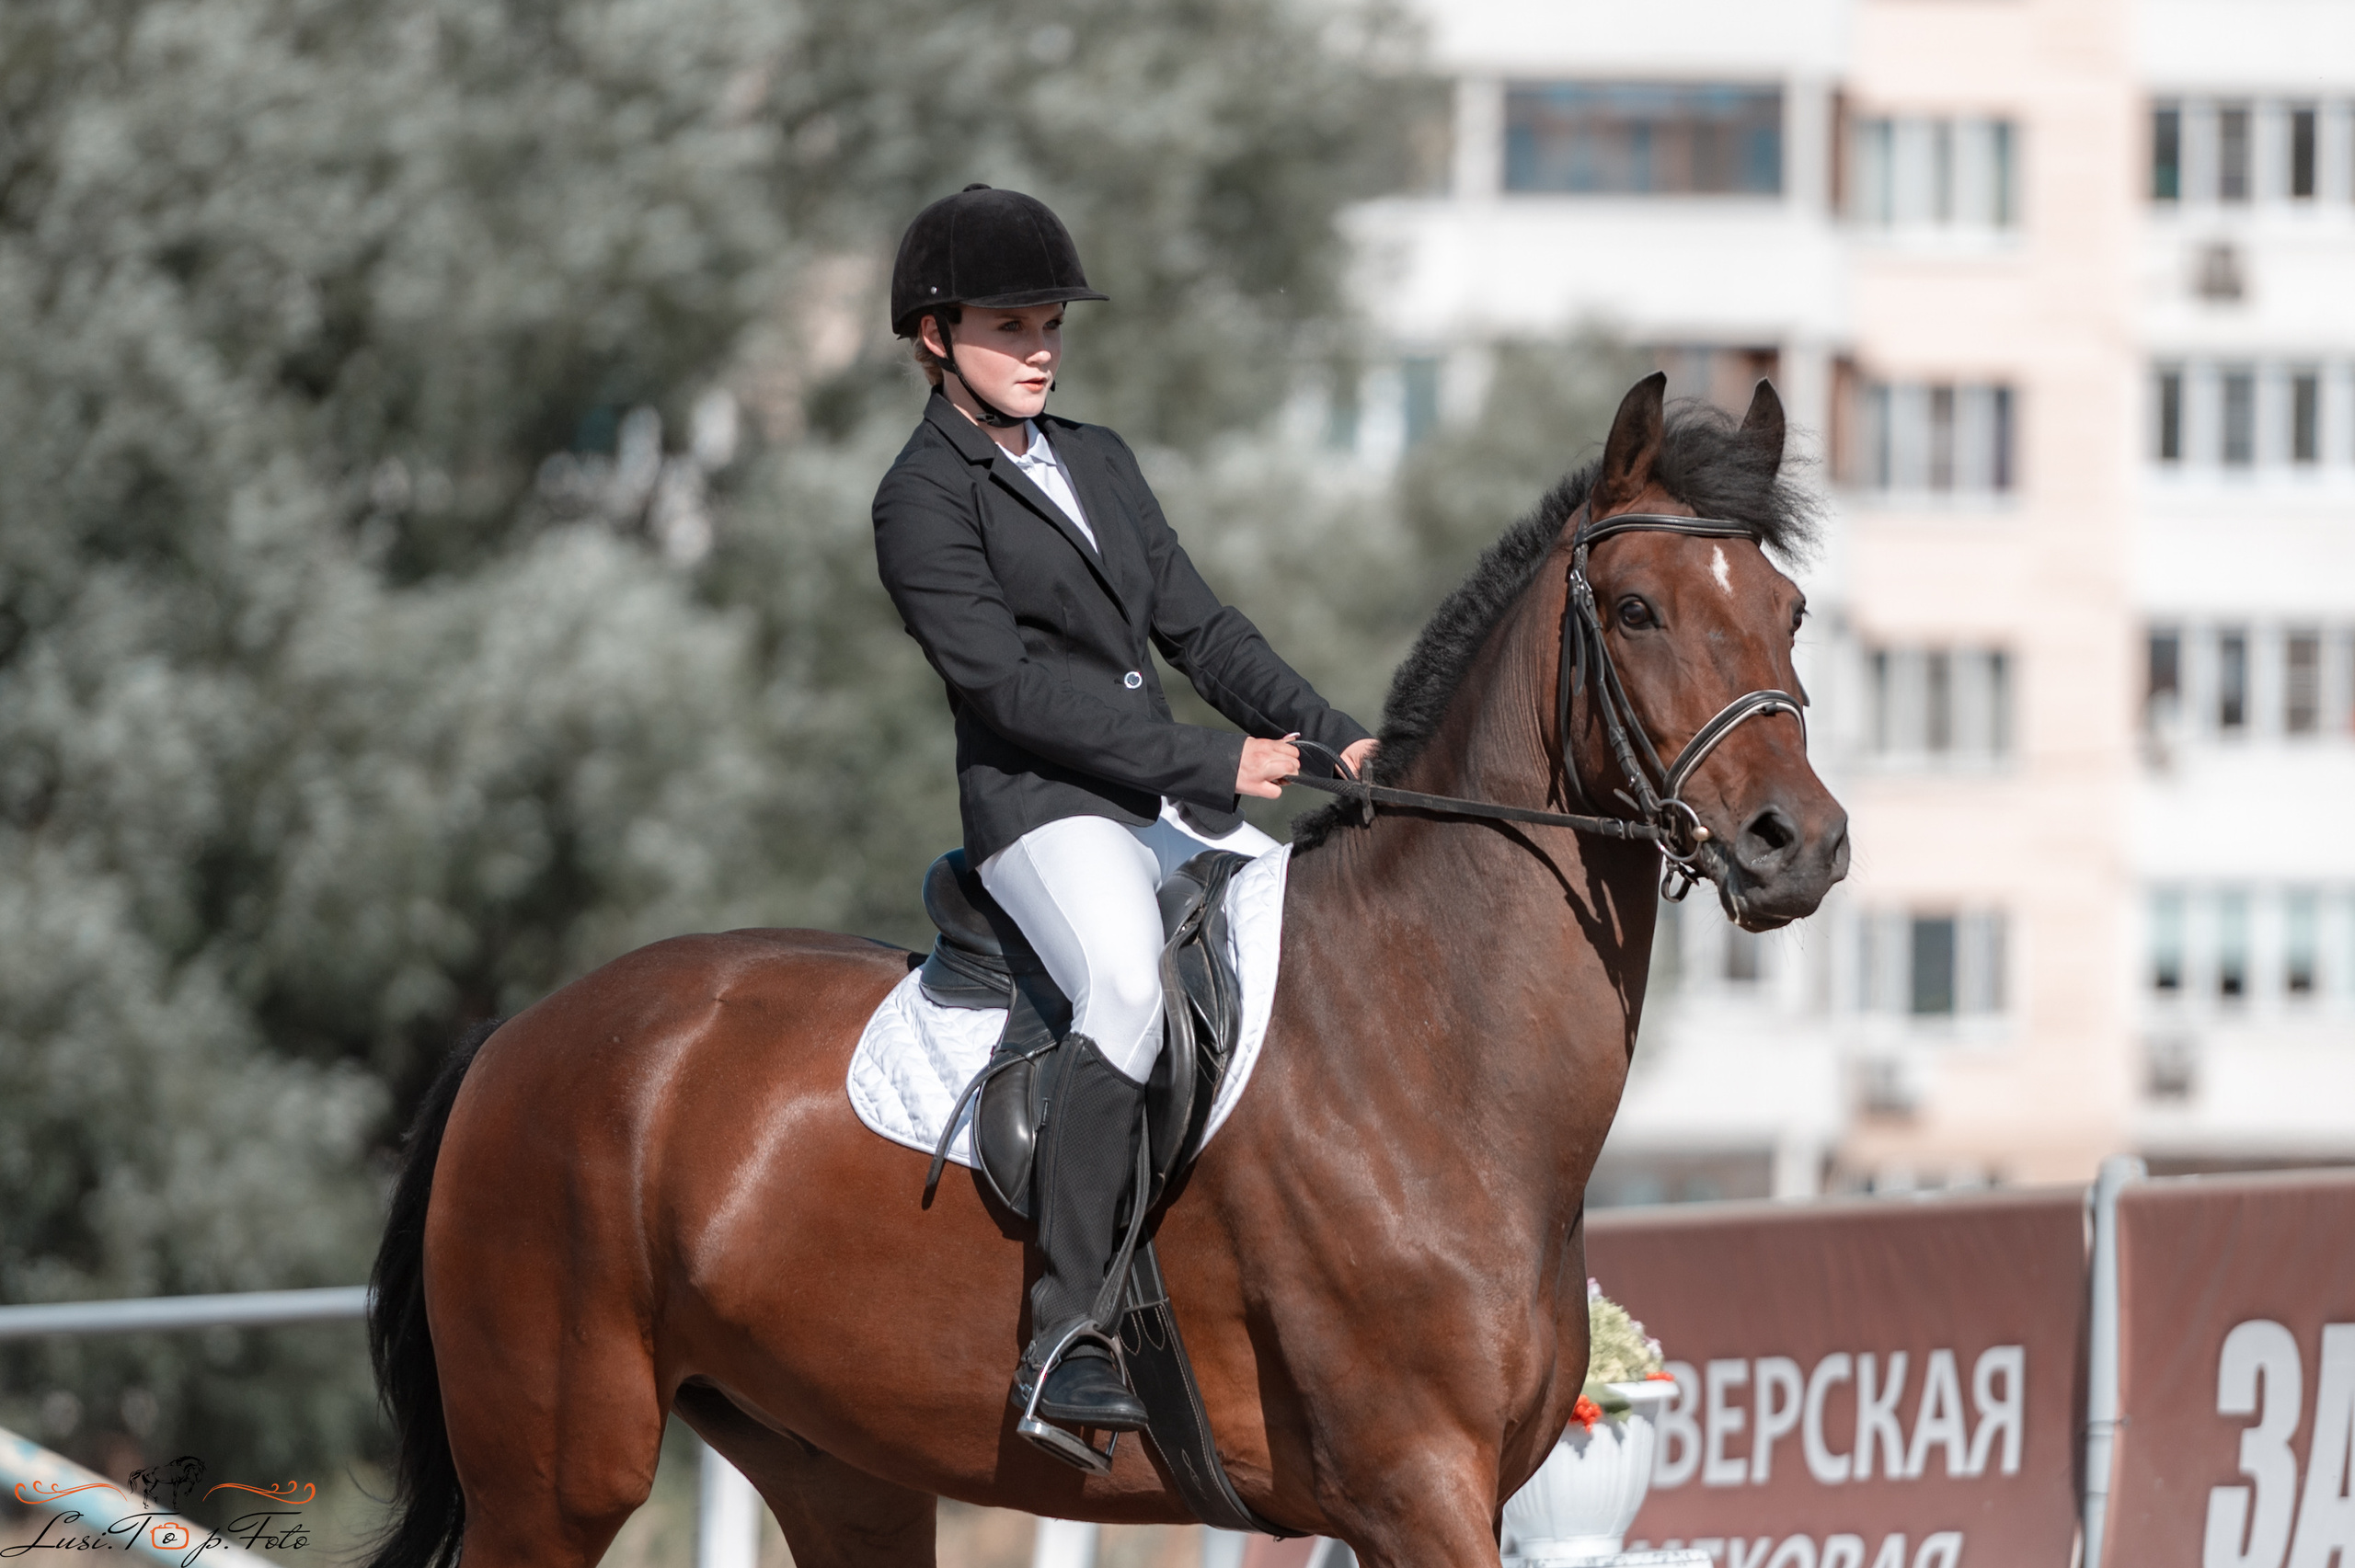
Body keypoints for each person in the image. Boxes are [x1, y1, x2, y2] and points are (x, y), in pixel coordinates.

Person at [871, 185, 1377, 1443]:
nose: (1041, 346)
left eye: (1051, 323)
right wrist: (1209, 762)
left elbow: (1203, 629)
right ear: (935, 334)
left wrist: (1337, 738)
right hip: (1042, 807)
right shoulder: (922, 497)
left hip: (1150, 786)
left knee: (1295, 945)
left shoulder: (1097, 457)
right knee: (1128, 991)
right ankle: (1064, 1338)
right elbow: (1007, 687)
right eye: (1011, 323)